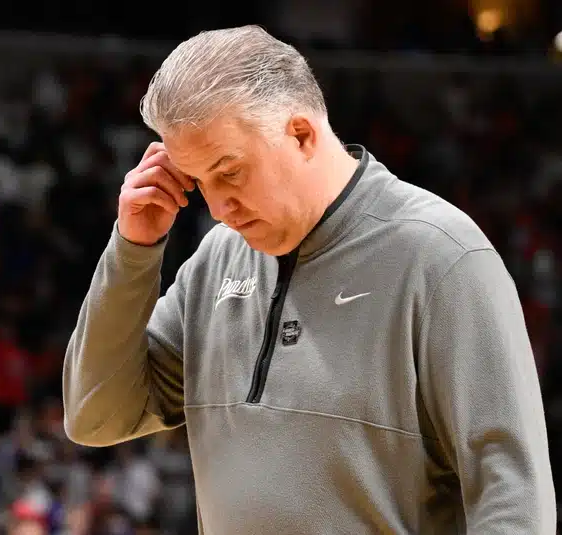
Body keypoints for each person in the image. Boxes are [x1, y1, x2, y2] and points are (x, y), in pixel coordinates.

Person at [62, 25, 556, 534]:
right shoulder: (216, 260)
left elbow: (511, 494)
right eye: (198, 182)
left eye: (229, 172)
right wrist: (133, 249)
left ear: (301, 134)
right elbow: (96, 417)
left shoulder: (442, 256)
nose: (217, 208)